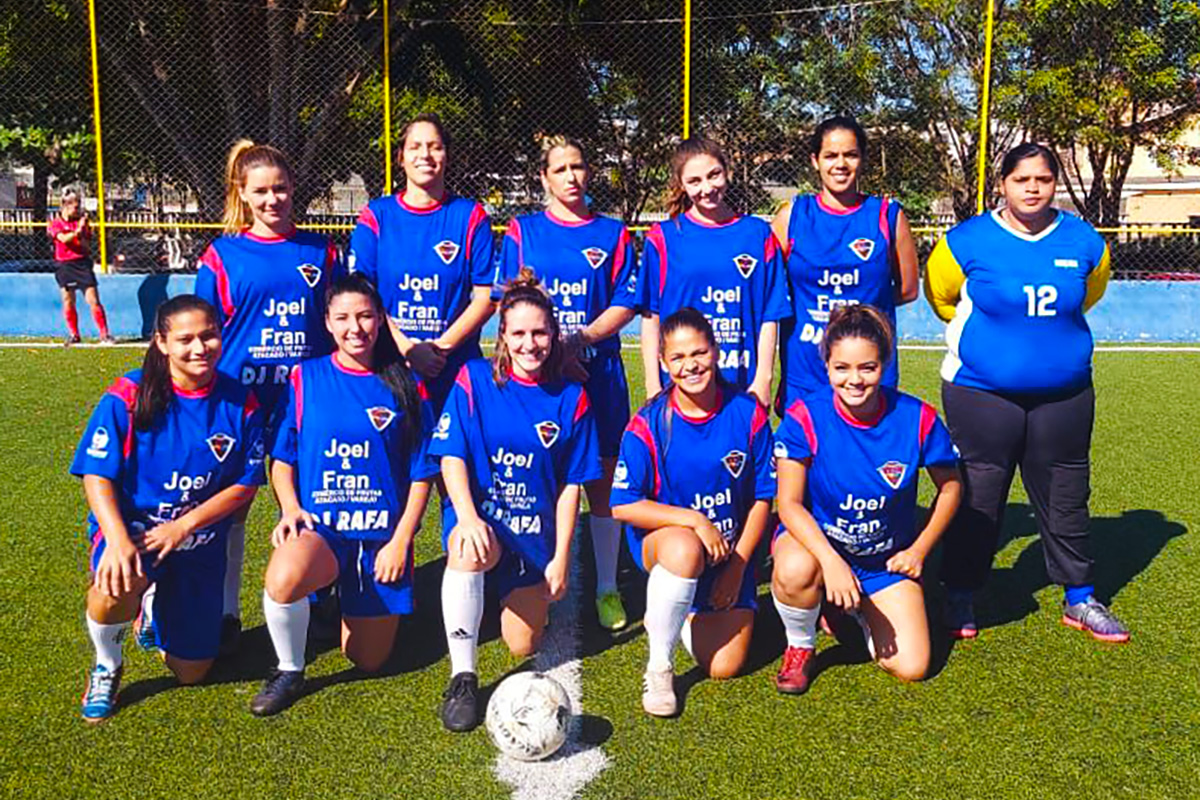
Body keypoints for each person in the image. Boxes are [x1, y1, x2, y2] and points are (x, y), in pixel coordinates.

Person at [924, 142, 1125, 642]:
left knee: (1066, 494)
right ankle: (961, 592)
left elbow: (1089, 293)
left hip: (1065, 395)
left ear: (1055, 183)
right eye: (1021, 180)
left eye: (1042, 179)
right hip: (980, 393)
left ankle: (1080, 596)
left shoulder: (1084, 241)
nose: (1032, 188)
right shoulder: (965, 240)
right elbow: (941, 295)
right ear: (1002, 184)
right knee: (978, 492)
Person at [70, 295, 266, 722]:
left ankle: (154, 610)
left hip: (198, 541)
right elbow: (96, 474)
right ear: (162, 342)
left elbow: (246, 483)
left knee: (191, 672)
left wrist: (183, 528)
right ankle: (107, 663)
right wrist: (119, 542)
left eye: (209, 336)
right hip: (137, 531)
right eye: (185, 339)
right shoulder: (128, 394)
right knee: (116, 585)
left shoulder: (239, 400)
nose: (200, 348)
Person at [249, 274, 436, 716]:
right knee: (282, 577)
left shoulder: (406, 385)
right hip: (324, 532)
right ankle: (289, 668)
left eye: (366, 316)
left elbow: (422, 473)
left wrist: (401, 542)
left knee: (367, 660)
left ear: (381, 320)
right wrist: (291, 508)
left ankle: (341, 605)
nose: (356, 328)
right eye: (343, 318)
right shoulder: (305, 377)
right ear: (328, 324)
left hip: (379, 540)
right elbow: (283, 459)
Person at [429, 269, 600, 732]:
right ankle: (462, 676)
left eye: (540, 332)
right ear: (501, 333)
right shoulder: (474, 379)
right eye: (519, 332)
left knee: (523, 644)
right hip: (483, 524)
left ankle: (488, 600)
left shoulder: (572, 397)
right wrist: (465, 517)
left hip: (532, 536)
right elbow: (451, 456)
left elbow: (570, 485)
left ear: (555, 335)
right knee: (469, 548)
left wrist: (562, 557)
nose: (530, 344)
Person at [194, 140, 340, 652]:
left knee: (314, 498)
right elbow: (198, 327)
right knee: (233, 507)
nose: (272, 199)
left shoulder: (322, 252)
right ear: (243, 192)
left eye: (280, 188)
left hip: (305, 402)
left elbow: (338, 319)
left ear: (293, 189)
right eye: (261, 191)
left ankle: (319, 598)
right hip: (239, 402)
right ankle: (227, 612)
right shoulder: (222, 254)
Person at [771, 304, 961, 694]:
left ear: (885, 365)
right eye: (842, 368)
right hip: (820, 550)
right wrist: (831, 561)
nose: (854, 380)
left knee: (913, 666)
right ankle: (800, 645)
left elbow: (951, 487)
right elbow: (788, 504)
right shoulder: (805, 416)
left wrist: (920, 549)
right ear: (826, 365)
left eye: (867, 368)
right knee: (792, 567)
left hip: (883, 561)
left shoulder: (917, 418)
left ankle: (850, 611)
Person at [494, 135, 640, 631]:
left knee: (600, 479)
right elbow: (508, 300)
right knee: (535, 471)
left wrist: (578, 342)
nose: (571, 177)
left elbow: (625, 301)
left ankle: (606, 587)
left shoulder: (613, 233)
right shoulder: (523, 231)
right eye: (560, 169)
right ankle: (531, 576)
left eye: (578, 166)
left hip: (598, 373)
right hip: (535, 376)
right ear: (544, 178)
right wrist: (554, 353)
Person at [611, 308, 774, 718]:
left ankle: (671, 610)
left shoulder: (748, 413)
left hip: (727, 557)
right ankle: (660, 667)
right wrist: (694, 520)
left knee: (723, 667)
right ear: (664, 364)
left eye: (699, 353)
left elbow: (763, 497)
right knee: (685, 548)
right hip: (667, 546)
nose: (691, 366)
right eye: (678, 358)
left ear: (716, 352)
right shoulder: (648, 423)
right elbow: (622, 504)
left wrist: (739, 567)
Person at [348, 112, 496, 417]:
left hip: (453, 366)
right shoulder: (376, 216)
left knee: (455, 463)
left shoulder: (471, 216)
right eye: (415, 147)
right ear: (400, 157)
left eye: (435, 146)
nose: (425, 155)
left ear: (447, 155)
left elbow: (486, 299)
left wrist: (440, 349)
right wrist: (406, 348)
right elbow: (361, 295)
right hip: (389, 363)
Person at [771, 116, 919, 407]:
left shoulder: (887, 216)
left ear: (862, 159)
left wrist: (861, 313)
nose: (840, 164)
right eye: (830, 155)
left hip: (869, 370)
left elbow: (908, 289)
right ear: (815, 161)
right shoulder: (792, 217)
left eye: (850, 155)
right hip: (806, 372)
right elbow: (767, 286)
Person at [639, 136, 790, 408]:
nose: (706, 188)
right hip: (680, 386)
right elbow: (651, 317)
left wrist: (763, 380)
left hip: (741, 386)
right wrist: (652, 384)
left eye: (714, 175)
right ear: (681, 185)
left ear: (727, 172)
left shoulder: (757, 234)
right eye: (694, 181)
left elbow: (771, 314)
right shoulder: (663, 237)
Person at [49, 188, 113, 346]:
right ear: (65, 205)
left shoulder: (82, 222)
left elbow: (86, 245)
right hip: (64, 265)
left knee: (93, 300)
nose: (78, 210)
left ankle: (104, 334)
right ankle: (74, 334)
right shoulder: (55, 223)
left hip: (81, 263)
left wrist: (82, 231)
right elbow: (63, 239)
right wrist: (77, 231)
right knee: (68, 301)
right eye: (75, 207)